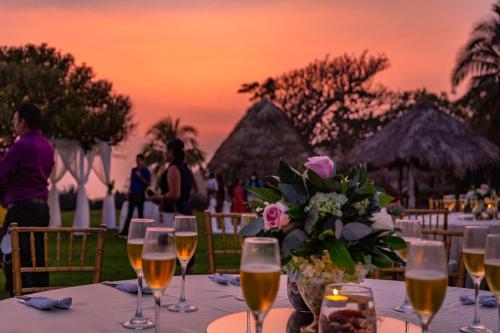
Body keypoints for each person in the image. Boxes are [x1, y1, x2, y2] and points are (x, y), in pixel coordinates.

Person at [0, 103, 54, 295]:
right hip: (41, 209)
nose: (13, 123)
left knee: (10, 251)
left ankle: (17, 292)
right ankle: (40, 293)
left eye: (15, 119)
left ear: (23, 122)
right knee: (37, 253)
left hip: (21, 208)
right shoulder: (48, 146)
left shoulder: (21, 145)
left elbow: (2, 173)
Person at [152, 139, 194, 271]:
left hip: (173, 216)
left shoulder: (173, 168)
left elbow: (175, 194)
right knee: (186, 258)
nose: (165, 154)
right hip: (186, 213)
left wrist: (159, 197)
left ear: (171, 152)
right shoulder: (185, 168)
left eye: (166, 151)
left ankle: (162, 285)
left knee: (165, 254)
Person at [119, 154, 151, 238]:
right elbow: (132, 183)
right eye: (137, 160)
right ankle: (124, 232)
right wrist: (129, 193)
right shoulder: (133, 170)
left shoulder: (146, 171)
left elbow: (148, 183)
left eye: (139, 160)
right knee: (129, 214)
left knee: (140, 215)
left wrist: (141, 177)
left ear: (143, 161)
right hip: (133, 194)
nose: (138, 162)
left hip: (141, 194)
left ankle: (141, 232)